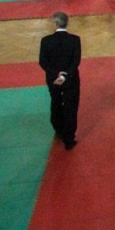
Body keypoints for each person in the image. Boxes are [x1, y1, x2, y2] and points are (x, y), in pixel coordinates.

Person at [39, 11, 81, 149]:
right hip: (70, 79)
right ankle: (69, 139)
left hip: (53, 79)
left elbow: (43, 62)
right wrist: (64, 76)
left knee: (56, 102)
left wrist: (56, 75)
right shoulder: (75, 40)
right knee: (71, 107)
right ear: (67, 23)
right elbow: (75, 62)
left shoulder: (46, 41)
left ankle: (58, 128)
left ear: (55, 23)